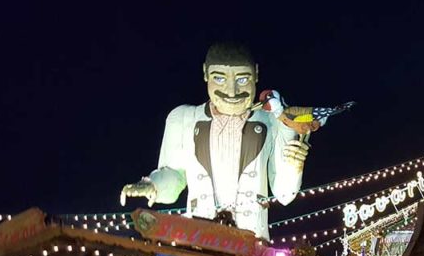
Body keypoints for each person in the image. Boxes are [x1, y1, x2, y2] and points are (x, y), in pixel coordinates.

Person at [120, 43, 310, 240]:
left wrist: (294, 164)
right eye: (219, 78)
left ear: (256, 74)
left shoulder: (272, 120)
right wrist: (153, 184)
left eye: (242, 79)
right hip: (200, 239)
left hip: (252, 241)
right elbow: (174, 177)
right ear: (205, 74)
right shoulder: (184, 118)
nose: (231, 91)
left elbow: (284, 193)